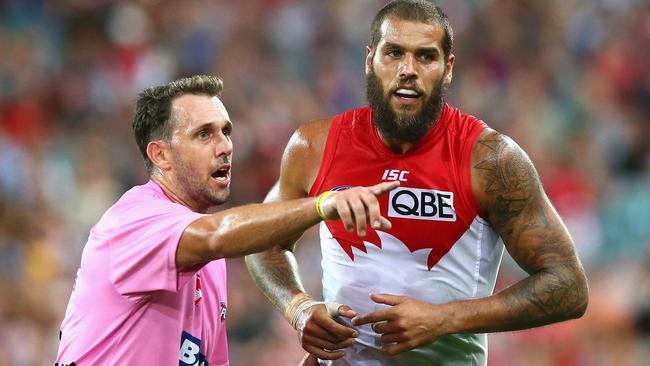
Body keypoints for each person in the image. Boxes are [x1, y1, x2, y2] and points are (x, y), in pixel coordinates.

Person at [245, 1, 589, 365]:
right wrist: (298, 307)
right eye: (394, 53)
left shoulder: (489, 159)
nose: (408, 70)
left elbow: (568, 286)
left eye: (425, 57)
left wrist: (444, 318)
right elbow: (261, 240)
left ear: (448, 68)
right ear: (369, 59)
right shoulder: (313, 146)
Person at [54, 75, 399, 366]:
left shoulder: (211, 263)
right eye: (204, 134)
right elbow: (217, 234)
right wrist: (323, 204)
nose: (226, 146)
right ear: (160, 155)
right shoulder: (134, 221)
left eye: (226, 131)